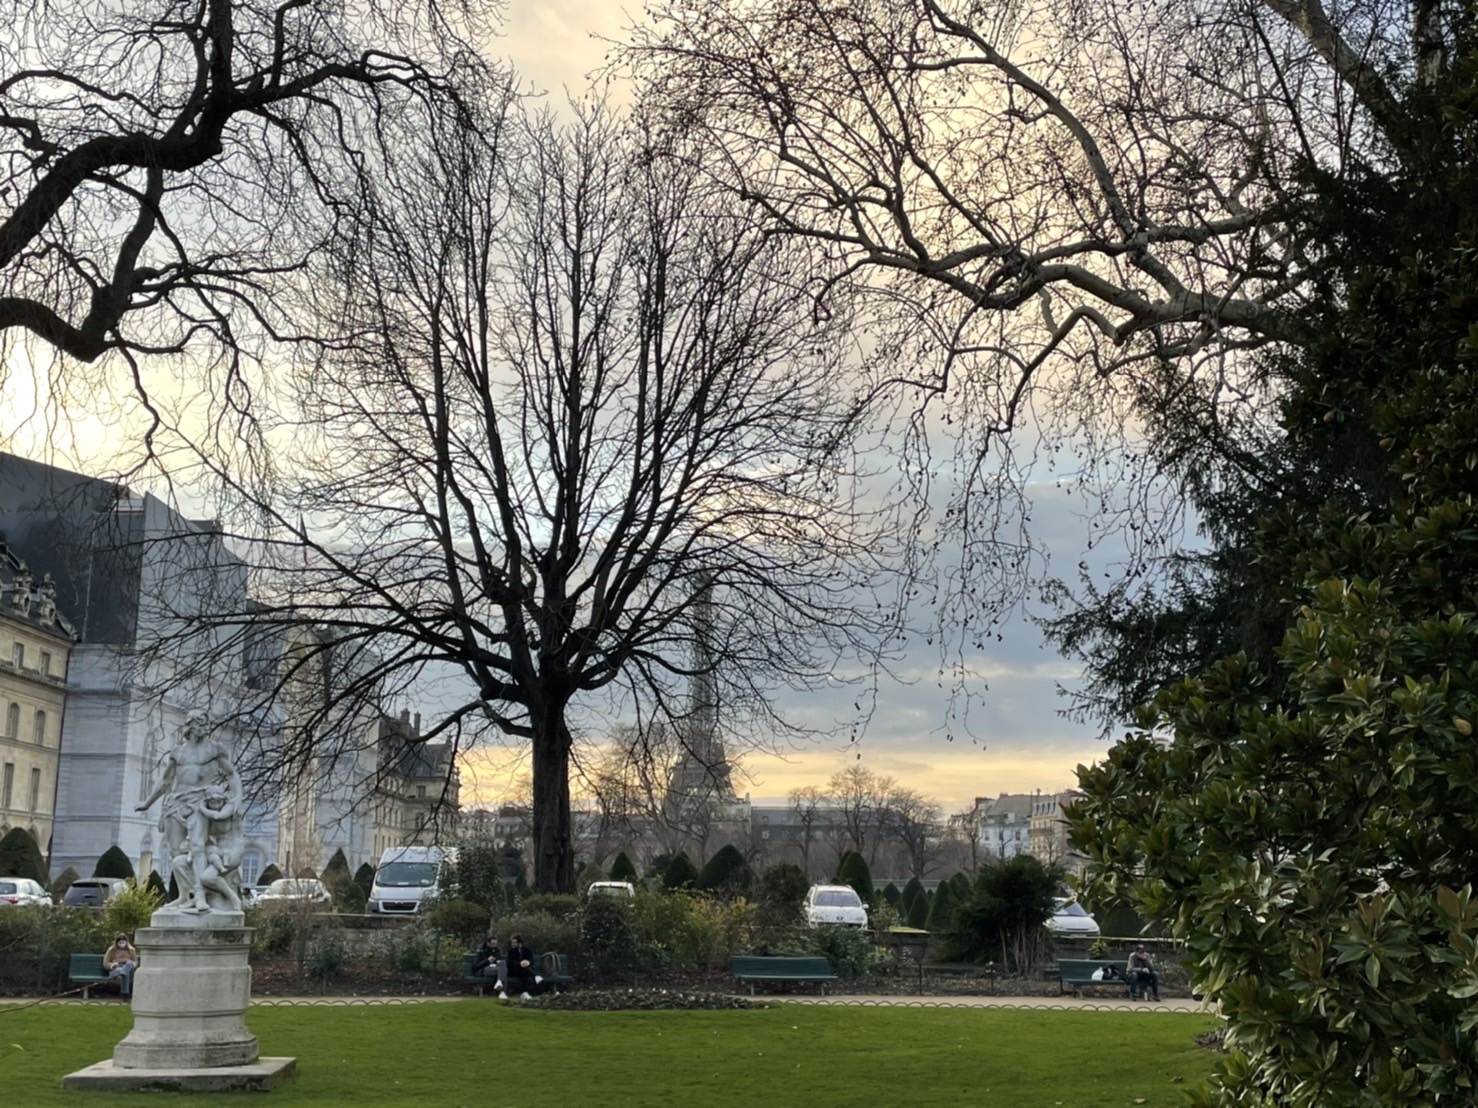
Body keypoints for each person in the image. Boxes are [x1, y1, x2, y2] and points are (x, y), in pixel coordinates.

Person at [103, 933, 139, 998]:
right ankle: (125, 994)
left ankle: (122, 973)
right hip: (116, 969)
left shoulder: (131, 950)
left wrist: (129, 963)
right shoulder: (111, 950)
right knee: (124, 972)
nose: (122, 944)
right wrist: (113, 964)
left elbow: (135, 962)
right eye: (120, 942)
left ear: (126, 942)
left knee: (129, 965)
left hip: (128, 968)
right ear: (117, 943)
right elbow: (105, 964)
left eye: (123, 942)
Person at [505, 933, 539, 1000]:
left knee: (525, 970)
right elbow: (511, 962)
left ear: (519, 943)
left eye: (514, 943)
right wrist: (520, 963)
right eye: (512, 942)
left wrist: (528, 962)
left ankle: (525, 992)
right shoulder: (511, 951)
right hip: (514, 971)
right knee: (525, 968)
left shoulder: (527, 950)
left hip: (524, 971)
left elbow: (532, 961)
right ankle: (535, 977)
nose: (512, 944)